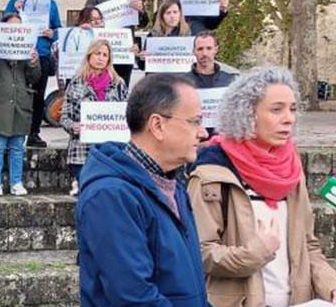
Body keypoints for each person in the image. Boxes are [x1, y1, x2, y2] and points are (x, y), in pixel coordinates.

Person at [187, 67, 336, 307]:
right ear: (246, 114)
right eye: (277, 110)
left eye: (293, 109)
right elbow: (199, 253)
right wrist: (256, 253)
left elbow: (307, 246)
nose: (289, 118)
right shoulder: (211, 174)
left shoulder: (292, 172)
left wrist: (334, 286)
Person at [77, 74, 210, 306]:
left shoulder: (172, 184)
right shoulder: (111, 196)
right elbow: (134, 297)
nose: (203, 132)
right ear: (157, 125)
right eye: (195, 121)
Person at [0, 13, 42, 196]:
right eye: (11, 27)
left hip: (21, 104)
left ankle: (16, 182)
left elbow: (34, 78)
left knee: (17, 147)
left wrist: (34, 63)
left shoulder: (28, 49)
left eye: (18, 26)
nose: (15, 30)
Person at [60, 39, 128, 197]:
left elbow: (127, 115)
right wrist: (73, 126)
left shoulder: (119, 84)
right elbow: (64, 117)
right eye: (97, 53)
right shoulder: (76, 83)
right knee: (87, 191)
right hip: (82, 150)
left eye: (105, 55)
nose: (101, 58)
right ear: (89, 56)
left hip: (110, 150)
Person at [4, 0, 62, 148]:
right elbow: (4, 22)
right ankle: (12, 132)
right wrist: (15, 11)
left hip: (41, 54)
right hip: (18, 53)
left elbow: (59, 30)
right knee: (16, 94)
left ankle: (34, 133)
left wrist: (51, 33)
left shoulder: (51, 4)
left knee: (38, 95)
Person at [85, 0, 149, 86]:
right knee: (100, 90)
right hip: (102, 52)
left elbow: (143, 24)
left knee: (122, 91)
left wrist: (141, 11)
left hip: (125, 51)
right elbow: (86, 21)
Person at [189, 31, 236, 137]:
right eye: (200, 49)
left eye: (209, 48)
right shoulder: (183, 82)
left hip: (224, 141)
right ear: (194, 51)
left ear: (216, 50)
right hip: (194, 141)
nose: (204, 53)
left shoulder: (230, 81)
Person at [137, 0, 193, 71]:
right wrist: (142, 58)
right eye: (168, 13)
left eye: (175, 12)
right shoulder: (152, 36)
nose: (172, 16)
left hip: (181, 79)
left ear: (180, 14)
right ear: (162, 16)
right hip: (158, 79)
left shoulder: (188, 34)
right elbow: (143, 67)